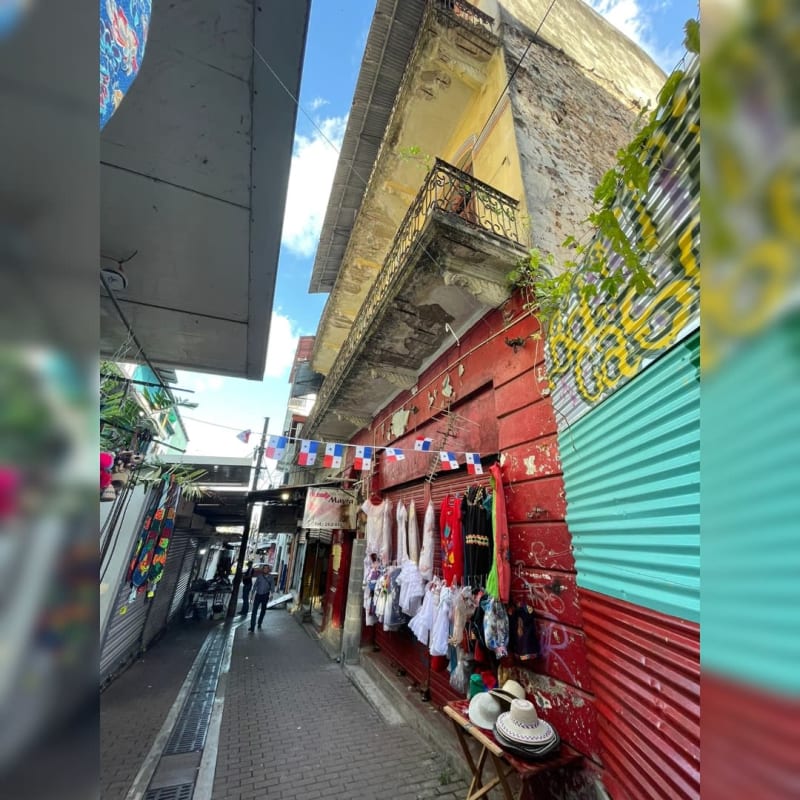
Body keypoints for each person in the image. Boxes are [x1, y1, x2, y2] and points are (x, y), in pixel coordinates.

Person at [248, 566, 274, 632]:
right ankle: (252, 626)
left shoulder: (271, 577)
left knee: (263, 610)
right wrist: (252, 595)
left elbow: (272, 587)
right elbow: (255, 586)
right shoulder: (259, 576)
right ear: (263, 569)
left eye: (267, 569)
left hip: (265, 595)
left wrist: (271, 595)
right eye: (264, 568)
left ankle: (259, 622)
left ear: (269, 570)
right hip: (258, 595)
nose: (265, 570)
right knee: (254, 611)